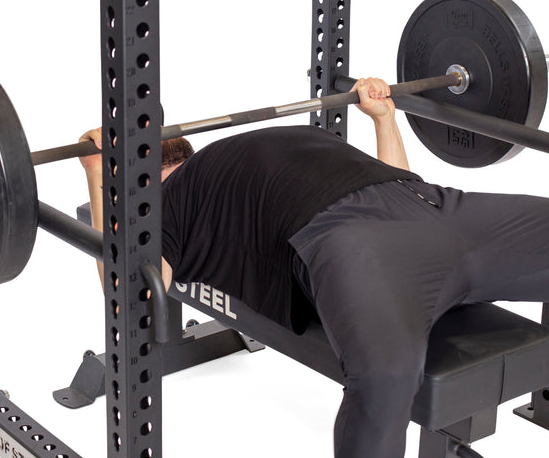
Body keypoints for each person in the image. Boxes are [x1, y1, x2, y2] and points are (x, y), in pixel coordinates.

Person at [80, 78, 549, 458]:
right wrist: (101, 180)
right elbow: (132, 300)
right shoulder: (165, 206)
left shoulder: (226, 158)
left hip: (429, 205)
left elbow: (401, 177)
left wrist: (385, 120)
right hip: (352, 242)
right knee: (385, 378)